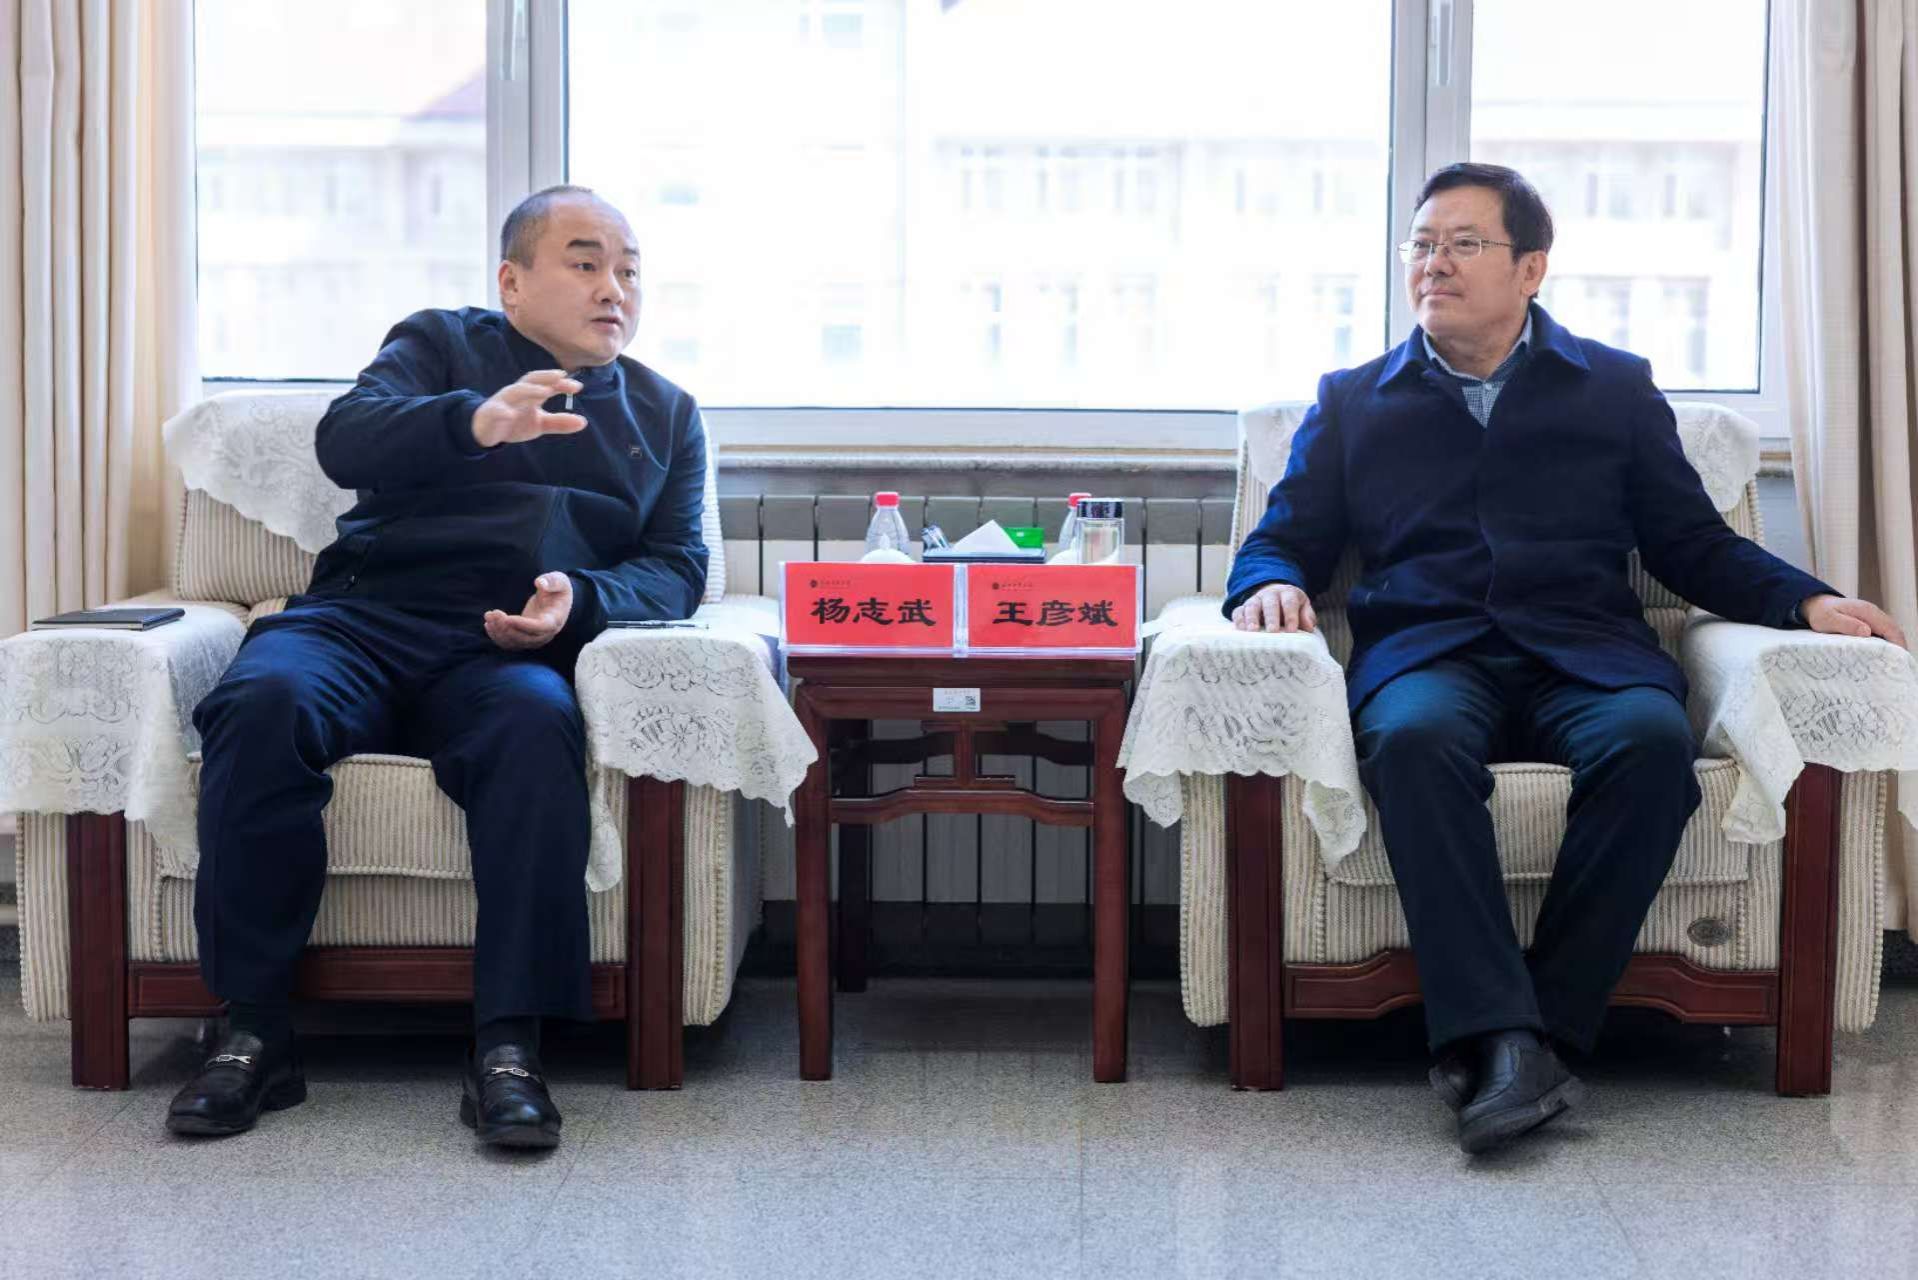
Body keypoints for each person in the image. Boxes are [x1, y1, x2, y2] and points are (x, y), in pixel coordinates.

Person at [1226, 163, 1906, 1155]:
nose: (1433, 263)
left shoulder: (1613, 389)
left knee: (1650, 745)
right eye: (1422, 243)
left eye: (1463, 243)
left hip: (1583, 651)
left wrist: (1805, 599)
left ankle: (1527, 1034)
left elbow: (1688, 542)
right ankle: (1512, 1041)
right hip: (1430, 651)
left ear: (1531, 267)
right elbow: (1286, 537)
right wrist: (1268, 583)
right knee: (1412, 743)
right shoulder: (1354, 400)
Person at [166, 185, 708, 1148]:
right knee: (261, 700)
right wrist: (477, 422)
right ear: (513, 281)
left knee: (535, 728)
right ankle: (253, 1032)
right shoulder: (439, 342)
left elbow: (677, 567)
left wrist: (579, 601)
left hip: (498, 649)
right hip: (362, 621)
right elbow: (346, 437)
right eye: (586, 263)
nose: (614, 290)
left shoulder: (667, 414)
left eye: (629, 271)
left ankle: (508, 1046)